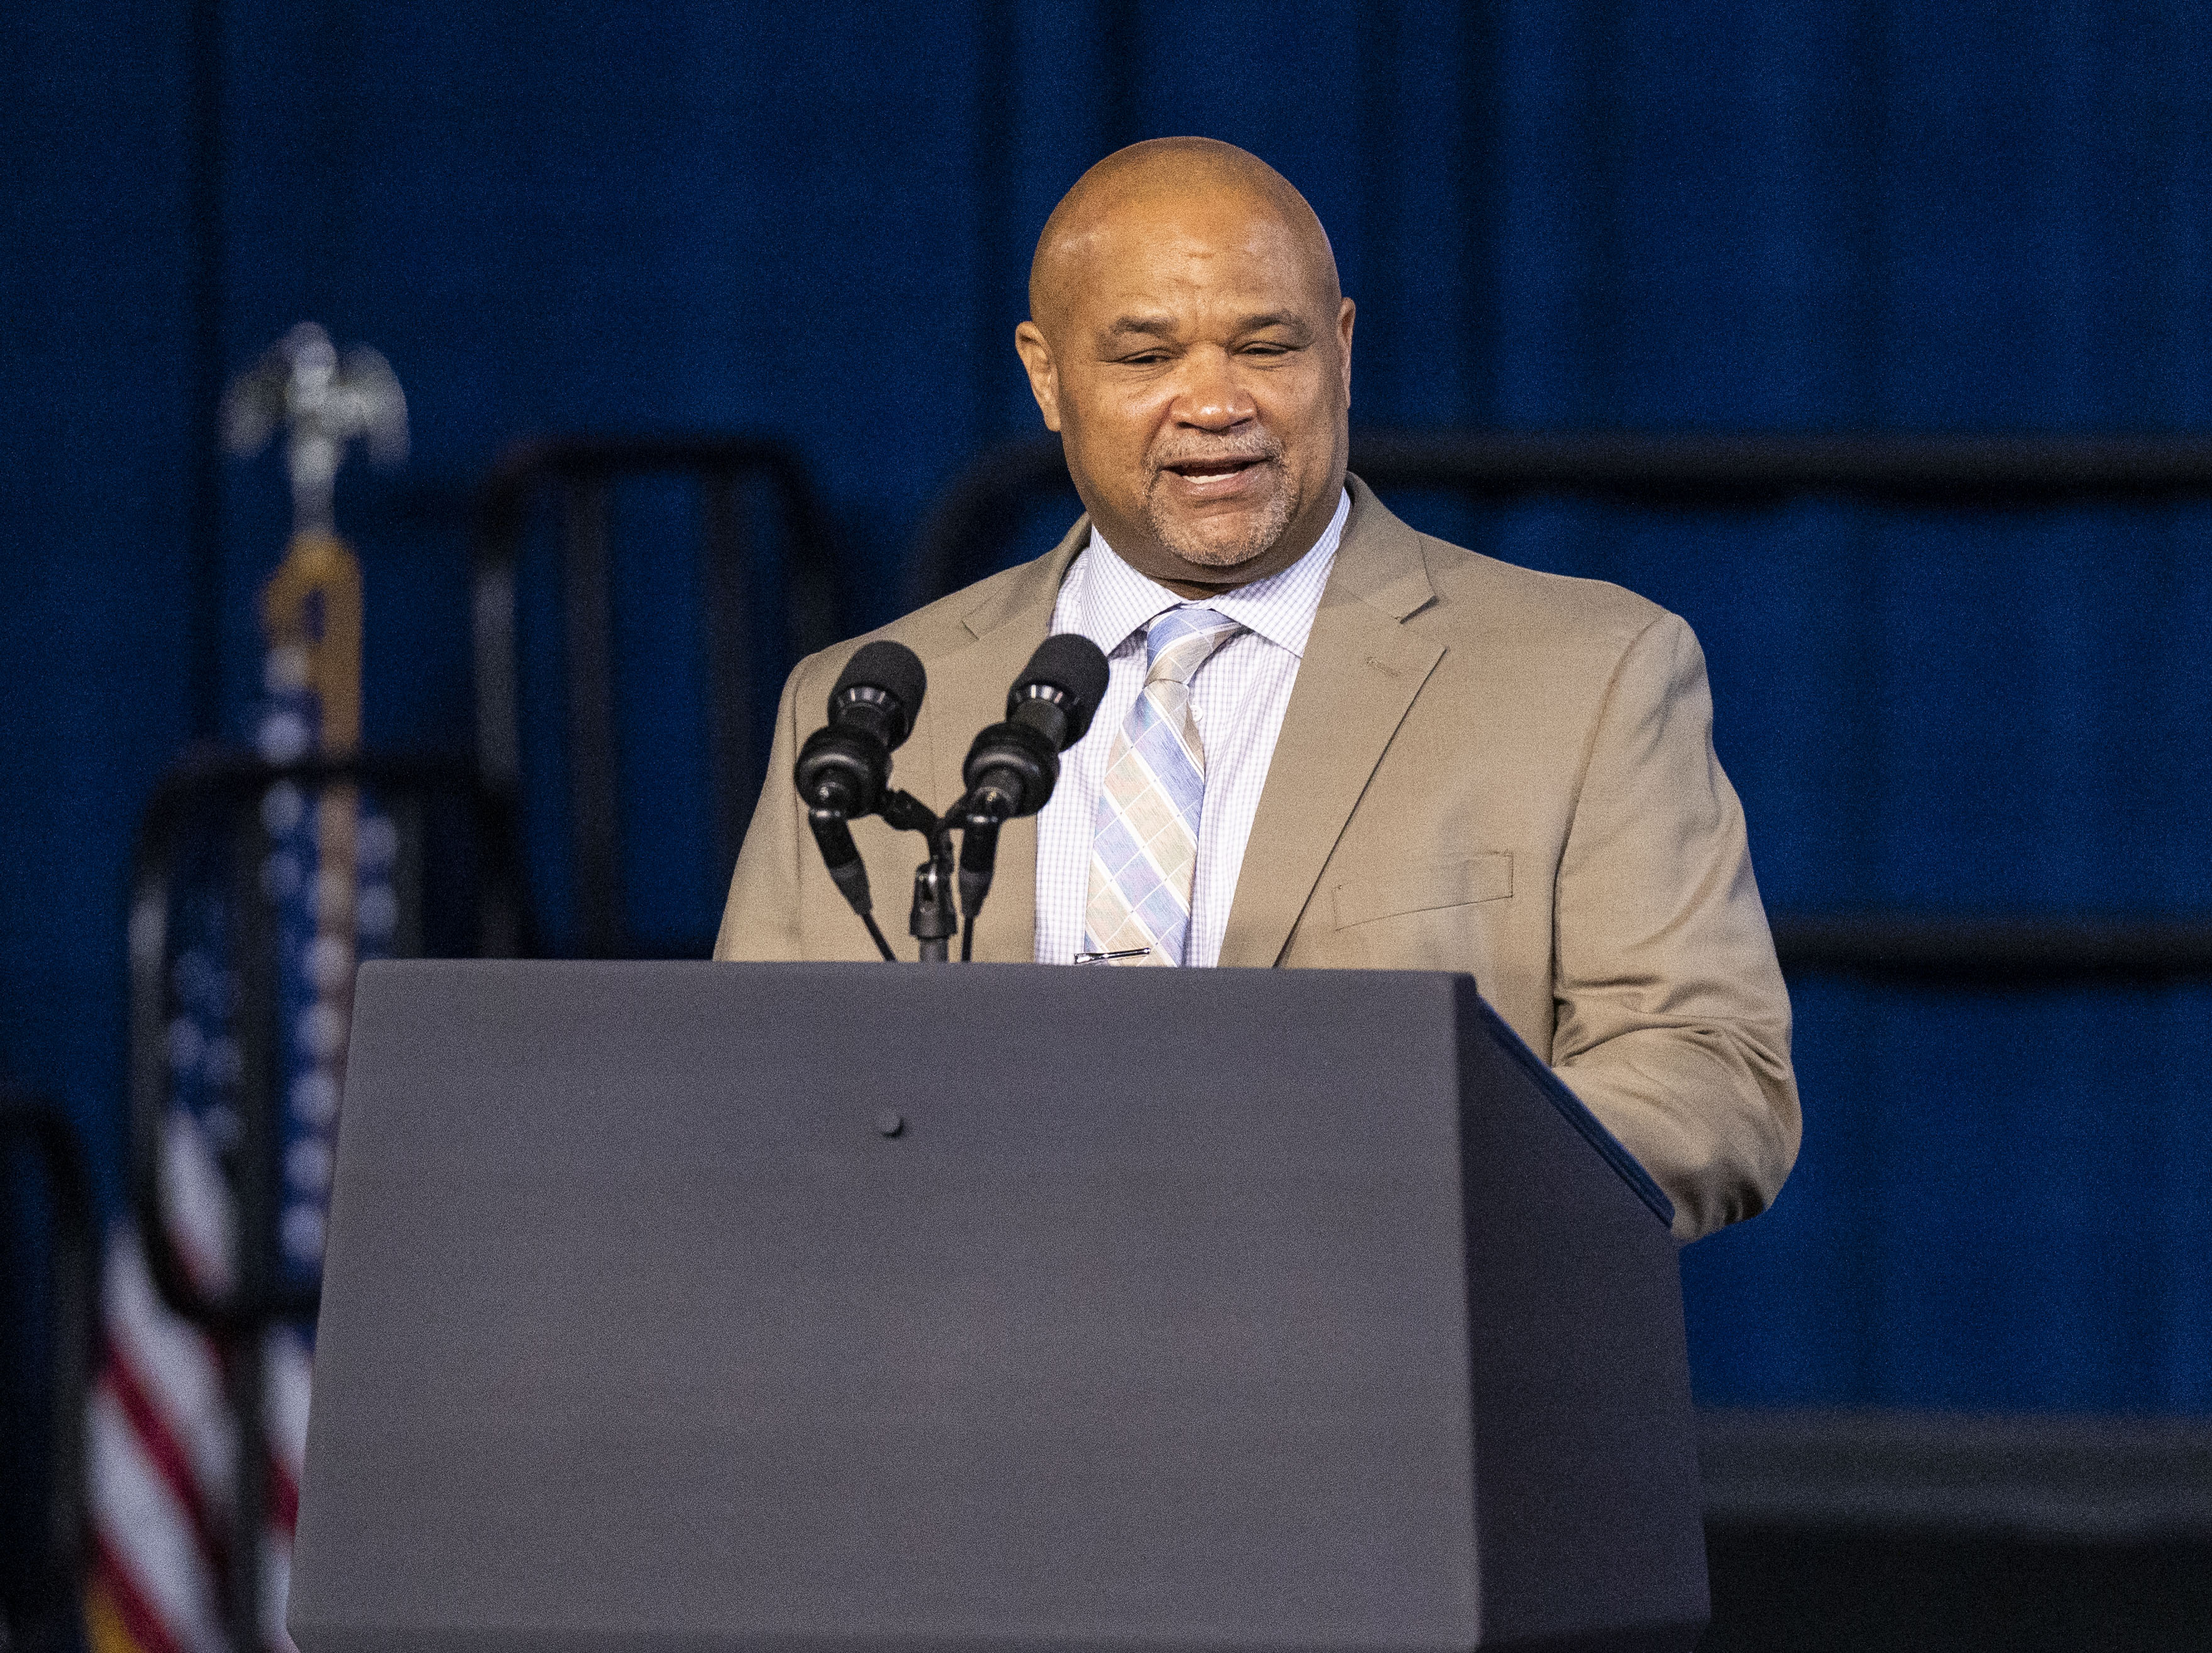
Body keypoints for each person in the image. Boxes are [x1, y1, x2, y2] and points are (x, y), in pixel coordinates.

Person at [717, 138, 1798, 1239]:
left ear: (1339, 349)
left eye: (1265, 347)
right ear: (1047, 375)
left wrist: (1375, 1181)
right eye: (1144, 360)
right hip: (972, 1381)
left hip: (1388, 1371)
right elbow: (745, 1099)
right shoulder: (866, 707)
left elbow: (1711, 1079)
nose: (1213, 403)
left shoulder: (1587, 676)